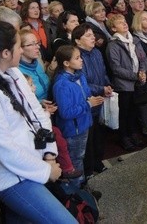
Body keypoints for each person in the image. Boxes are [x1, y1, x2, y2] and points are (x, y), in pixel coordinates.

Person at [0, 21, 76, 223]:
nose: (23, 51)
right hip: (12, 178)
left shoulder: (14, 72)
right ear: (5, 53)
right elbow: (4, 150)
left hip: (34, 164)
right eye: (19, 46)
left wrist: (50, 155)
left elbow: (38, 113)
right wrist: (46, 171)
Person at [52, 45, 104, 187]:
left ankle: (81, 186)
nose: (81, 60)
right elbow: (66, 112)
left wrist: (91, 101)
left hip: (83, 124)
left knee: (81, 157)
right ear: (66, 63)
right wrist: (88, 104)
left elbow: (86, 95)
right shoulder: (62, 84)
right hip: (73, 129)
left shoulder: (80, 76)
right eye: (77, 58)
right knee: (74, 161)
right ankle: (76, 190)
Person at [72, 24, 112, 178]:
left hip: (102, 97)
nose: (93, 38)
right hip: (88, 100)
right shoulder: (77, 57)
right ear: (77, 41)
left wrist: (107, 85)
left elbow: (103, 72)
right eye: (88, 36)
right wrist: (101, 89)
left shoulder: (96, 52)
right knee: (88, 138)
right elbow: (83, 83)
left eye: (92, 35)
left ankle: (98, 161)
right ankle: (88, 169)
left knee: (99, 134)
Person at [106, 14, 147, 151]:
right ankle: (123, 136)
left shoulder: (134, 40)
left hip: (137, 82)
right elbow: (116, 68)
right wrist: (136, 75)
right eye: (119, 23)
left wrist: (143, 71)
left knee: (134, 110)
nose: (124, 24)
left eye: (124, 21)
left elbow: (142, 58)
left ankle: (133, 133)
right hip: (123, 85)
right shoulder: (113, 45)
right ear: (113, 28)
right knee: (124, 112)